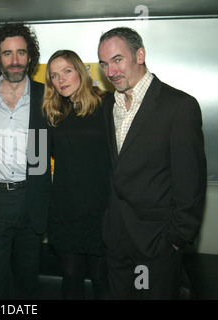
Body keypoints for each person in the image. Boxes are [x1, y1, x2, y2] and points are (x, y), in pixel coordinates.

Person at [97, 26, 207, 299]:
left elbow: (190, 183)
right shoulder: (108, 105)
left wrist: (175, 240)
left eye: (118, 60)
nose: (111, 72)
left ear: (140, 55)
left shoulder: (178, 106)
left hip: (156, 246)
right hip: (115, 242)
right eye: (104, 64)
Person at [0, 22, 52, 300]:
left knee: (28, 279)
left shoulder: (46, 95)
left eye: (21, 53)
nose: (14, 61)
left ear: (30, 56)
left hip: (33, 198)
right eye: (7, 54)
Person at [42, 50, 111, 299]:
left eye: (67, 71)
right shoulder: (51, 112)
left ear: (80, 71)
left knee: (102, 279)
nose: (61, 80)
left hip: (101, 212)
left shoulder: (108, 105)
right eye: (54, 76)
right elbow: (34, 159)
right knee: (71, 279)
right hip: (64, 211)